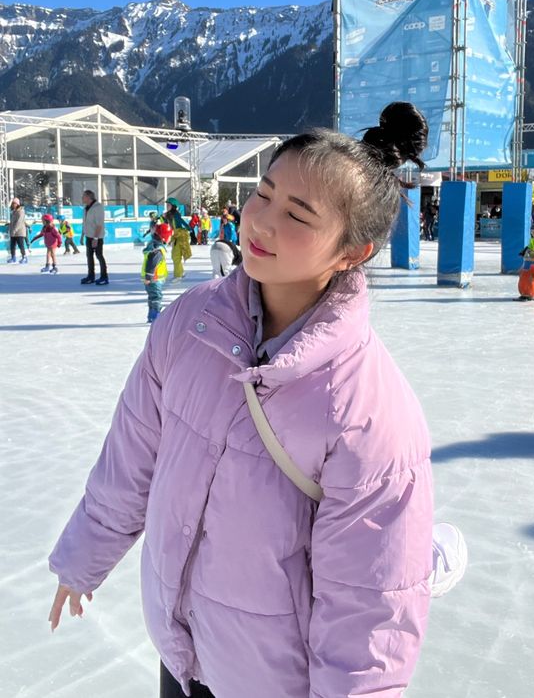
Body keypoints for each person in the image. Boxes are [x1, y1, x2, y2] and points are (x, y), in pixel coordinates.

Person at [48, 101, 443, 697]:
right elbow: (131, 461)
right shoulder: (188, 325)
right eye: (263, 193)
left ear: (351, 252)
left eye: (297, 214)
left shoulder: (367, 411)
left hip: (272, 680)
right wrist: (84, 556)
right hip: (182, 656)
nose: (259, 221)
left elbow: (368, 609)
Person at [142, 221, 173, 323]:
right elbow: (152, 262)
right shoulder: (158, 250)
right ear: (164, 237)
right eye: (169, 237)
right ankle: (156, 317)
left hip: (152, 279)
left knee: (152, 297)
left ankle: (151, 315)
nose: (170, 239)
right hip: (154, 279)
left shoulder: (153, 245)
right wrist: (148, 276)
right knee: (156, 297)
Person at [81, 190, 108, 285]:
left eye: (84, 196)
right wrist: (82, 235)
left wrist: (96, 238)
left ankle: (104, 277)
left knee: (99, 255)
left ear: (89, 197)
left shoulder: (98, 207)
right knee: (89, 256)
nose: (82, 198)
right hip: (88, 236)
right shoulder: (86, 208)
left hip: (97, 236)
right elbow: (84, 223)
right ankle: (90, 276)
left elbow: (99, 224)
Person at [163, 197, 192, 280]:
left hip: (179, 235)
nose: (167, 206)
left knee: (176, 256)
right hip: (174, 236)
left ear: (173, 206)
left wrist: (188, 227)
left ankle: (178, 275)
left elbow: (181, 221)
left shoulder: (175, 214)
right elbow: (166, 225)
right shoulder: (168, 214)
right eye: (167, 204)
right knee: (175, 256)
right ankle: (180, 272)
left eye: (169, 204)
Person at [7, 197, 28, 264]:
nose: (13, 205)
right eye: (13, 203)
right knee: (12, 245)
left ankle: (24, 257)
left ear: (17, 204)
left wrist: (14, 230)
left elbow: (19, 222)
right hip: (13, 232)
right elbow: (13, 221)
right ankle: (13, 257)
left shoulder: (21, 211)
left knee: (21, 245)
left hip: (20, 232)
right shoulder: (13, 211)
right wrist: (10, 224)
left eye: (14, 203)